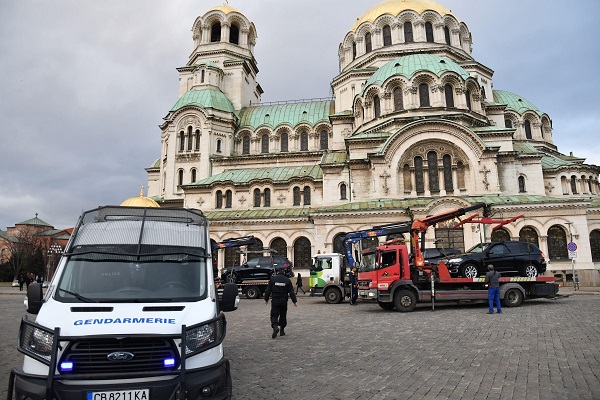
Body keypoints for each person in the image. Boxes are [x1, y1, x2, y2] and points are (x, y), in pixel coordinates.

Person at [264, 268, 297, 338]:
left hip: (275, 300)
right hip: (284, 300)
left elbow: (268, 291)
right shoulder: (287, 280)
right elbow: (291, 292)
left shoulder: (273, 279)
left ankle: (275, 326)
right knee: (283, 315)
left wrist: (266, 299)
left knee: (274, 315)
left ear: (277, 272)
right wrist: (294, 301)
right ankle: (282, 331)